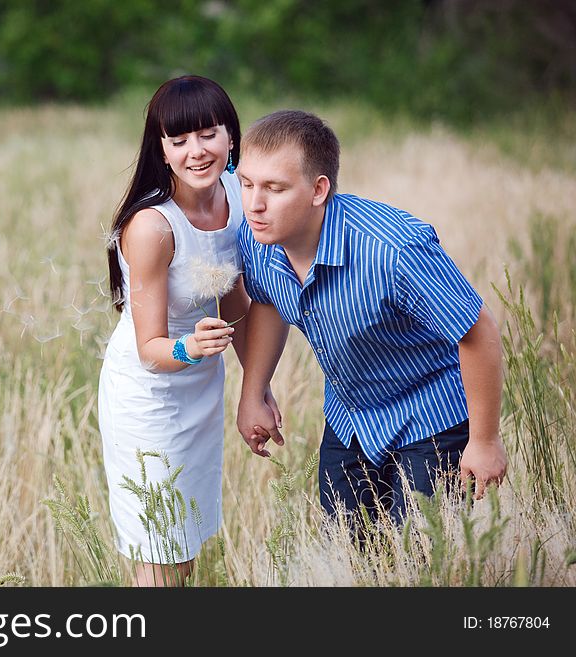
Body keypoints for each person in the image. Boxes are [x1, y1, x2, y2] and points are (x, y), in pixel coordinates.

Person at [235, 109, 508, 525]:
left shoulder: (393, 250)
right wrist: (253, 392)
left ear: (318, 189)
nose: (255, 203)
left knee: (421, 561)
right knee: (346, 554)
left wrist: (485, 440)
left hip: (430, 417)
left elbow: (479, 333)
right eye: (247, 184)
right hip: (351, 419)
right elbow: (269, 302)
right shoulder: (257, 237)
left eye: (274, 188)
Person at [98, 76, 279, 586]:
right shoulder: (153, 227)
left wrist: (256, 387)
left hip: (201, 383)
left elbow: (239, 301)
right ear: (162, 150)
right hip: (149, 393)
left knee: (184, 544)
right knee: (159, 543)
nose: (196, 152)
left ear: (231, 136)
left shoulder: (239, 194)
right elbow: (151, 348)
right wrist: (192, 346)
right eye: (179, 142)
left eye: (207, 134)